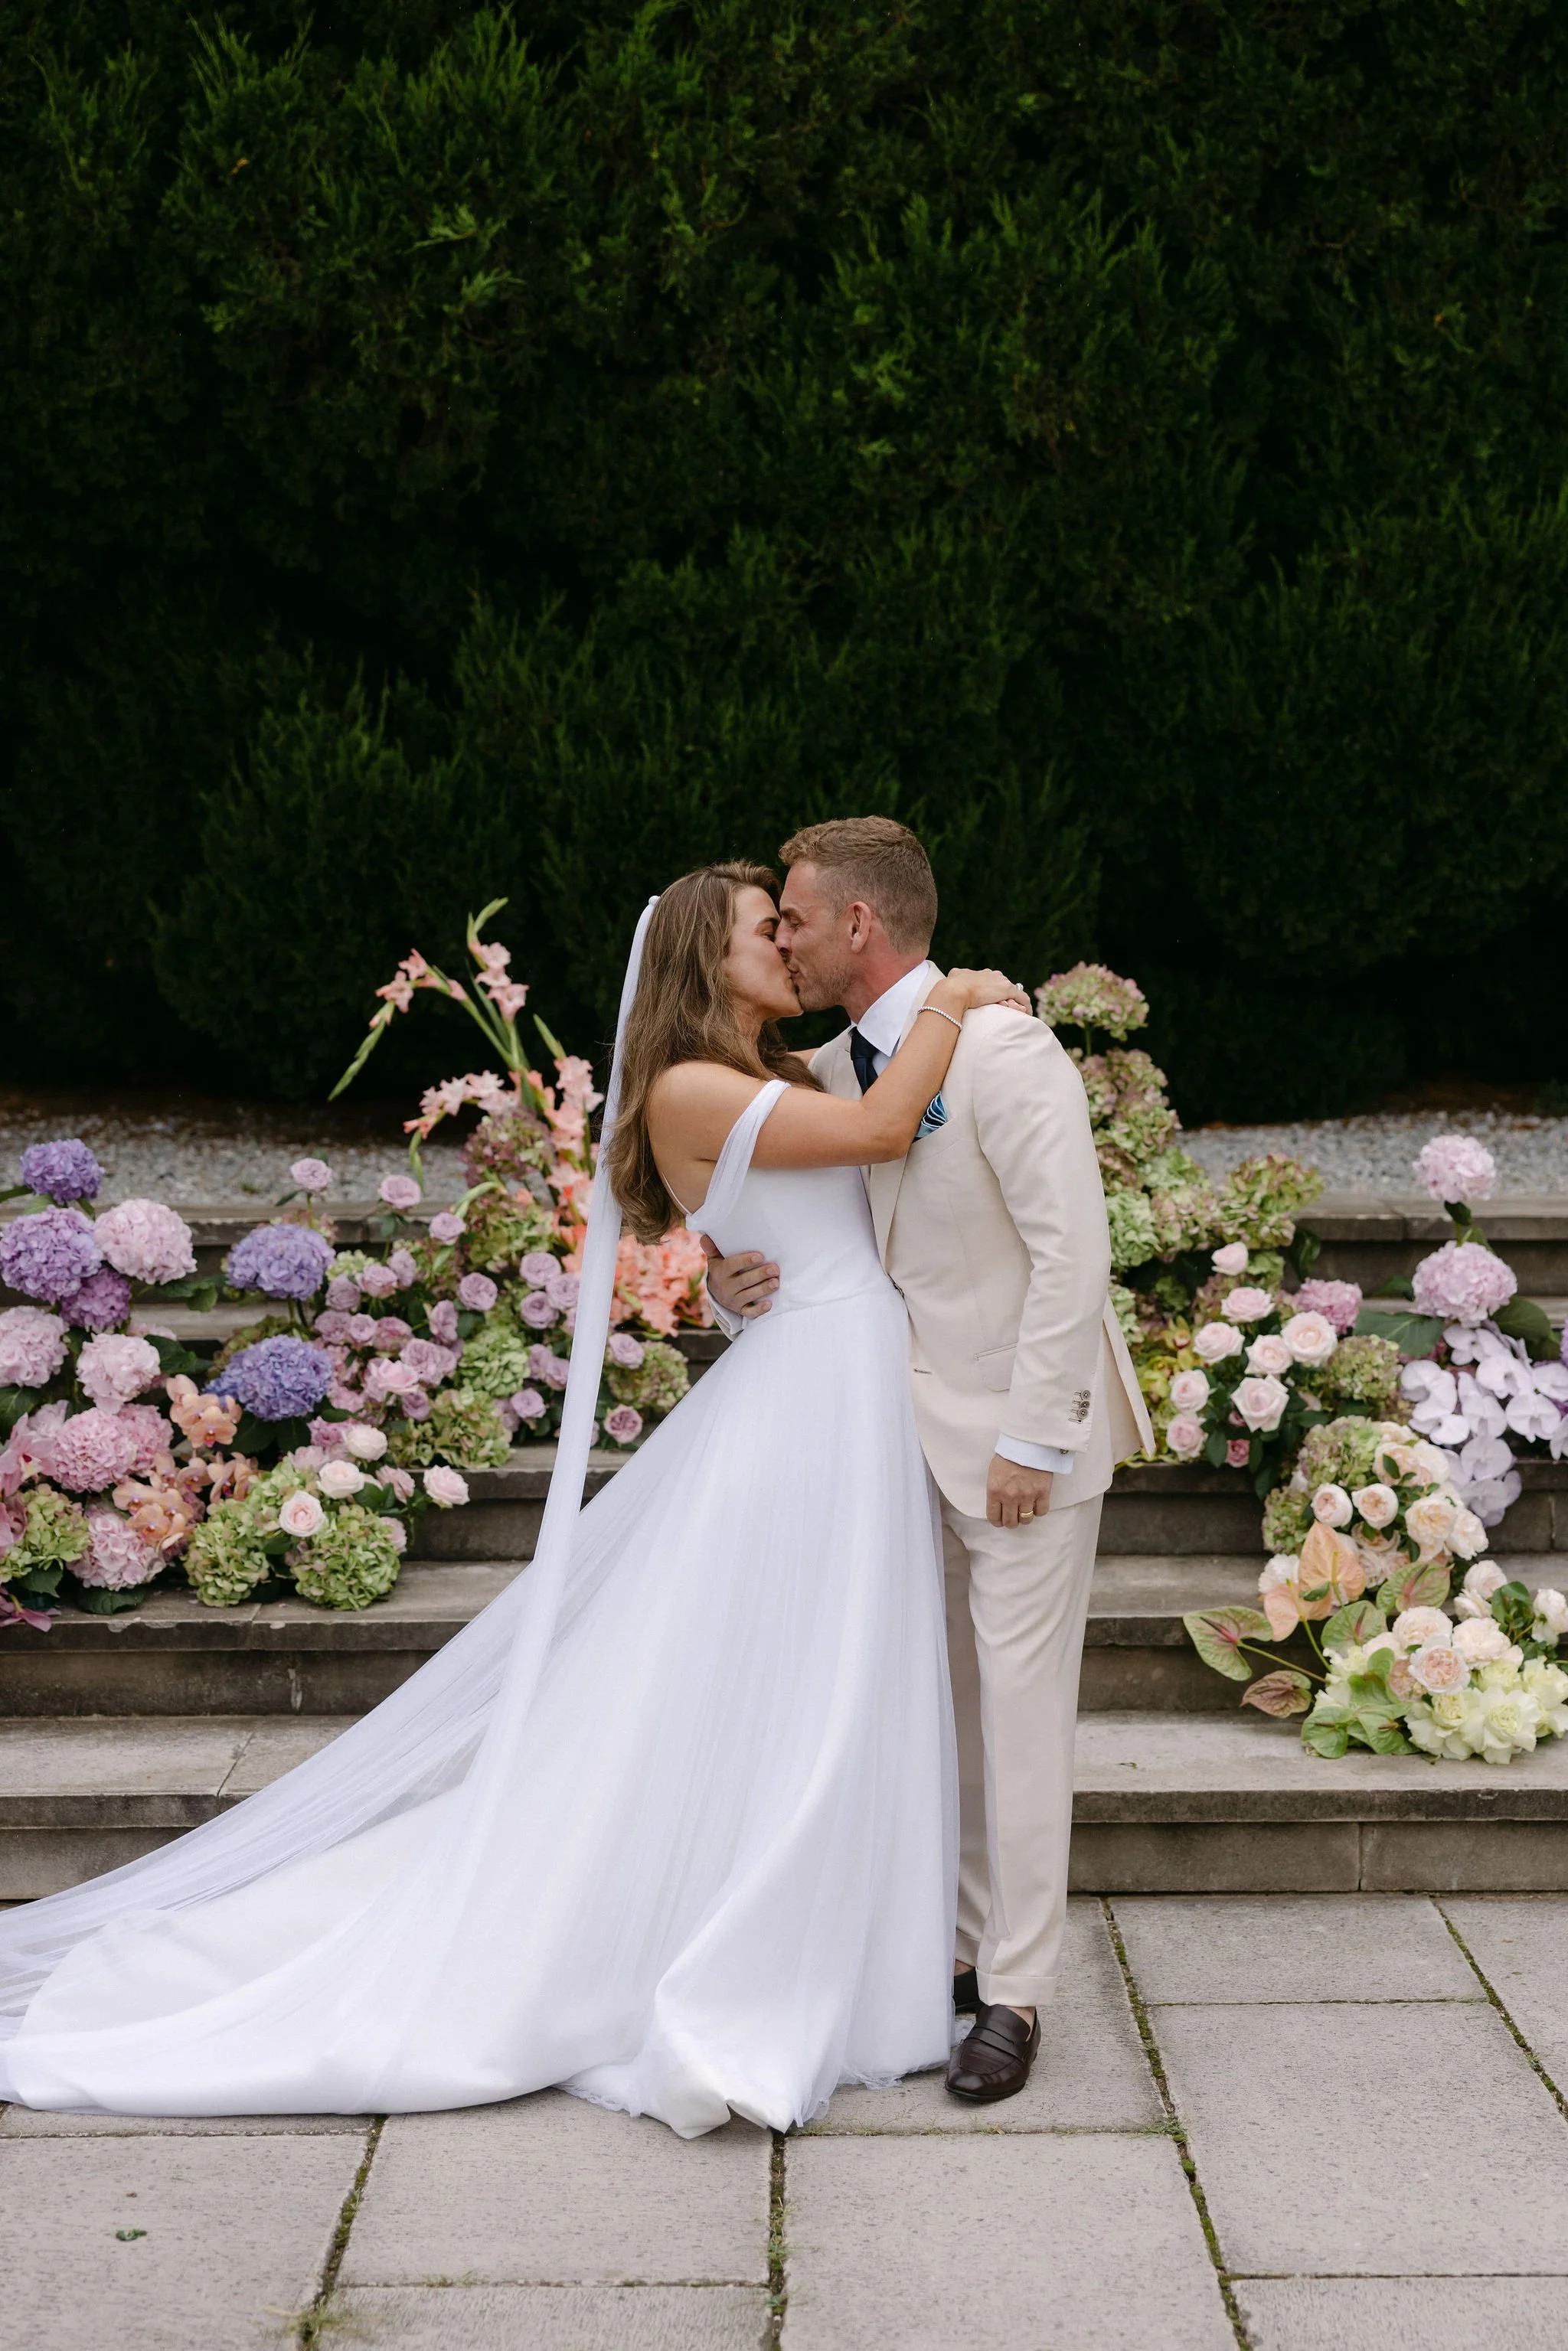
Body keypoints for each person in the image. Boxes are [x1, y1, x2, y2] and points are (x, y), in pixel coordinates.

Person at [0, 864, 1027, 2140]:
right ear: (707, 961)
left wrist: (726, 1280)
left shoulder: (780, 1072)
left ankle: (856, 1948)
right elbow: (880, 1133)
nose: (788, 941)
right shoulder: (691, 1087)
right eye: (766, 929)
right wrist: (960, 998)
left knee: (837, 1672)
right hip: (815, 1396)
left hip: (840, 1379)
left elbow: (834, 1170)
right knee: (811, 1676)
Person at [704, 818, 1152, 2105]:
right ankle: (956, 1956)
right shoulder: (840, 1068)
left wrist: (1033, 1435)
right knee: (942, 1714)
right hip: (894, 1440)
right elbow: (816, 1236)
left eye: (792, 914)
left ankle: (1015, 1994)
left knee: (1018, 1721)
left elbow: (1075, 1254)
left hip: (1018, 1444)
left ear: (859, 924)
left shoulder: (1005, 1050)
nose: (780, 934)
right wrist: (736, 1292)